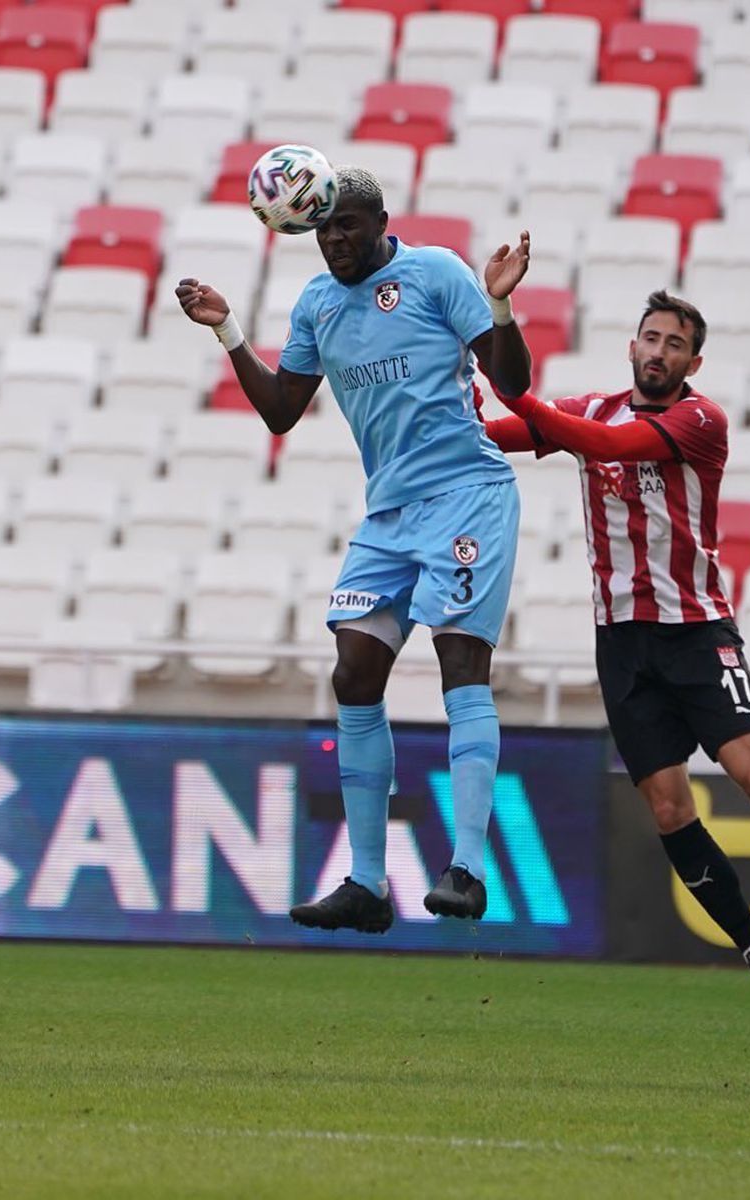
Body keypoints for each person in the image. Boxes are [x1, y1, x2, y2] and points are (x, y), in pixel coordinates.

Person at [481, 289, 750, 1021]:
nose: (658, 352)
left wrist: (515, 393)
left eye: (673, 344)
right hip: (622, 641)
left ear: (693, 361)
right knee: (667, 807)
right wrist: (460, 403)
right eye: (649, 338)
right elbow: (513, 435)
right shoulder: (590, 408)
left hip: (697, 631)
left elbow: (608, 448)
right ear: (631, 346)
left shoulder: (700, 420)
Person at [177, 167, 533, 935]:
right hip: (390, 516)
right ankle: (369, 883)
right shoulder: (315, 305)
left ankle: (467, 869)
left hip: (467, 493)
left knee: (460, 662)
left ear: (378, 223)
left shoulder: (435, 273)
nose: (334, 240)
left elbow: (513, 385)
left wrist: (500, 305)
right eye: (323, 229)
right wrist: (227, 330)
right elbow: (281, 412)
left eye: (347, 227)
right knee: (353, 670)